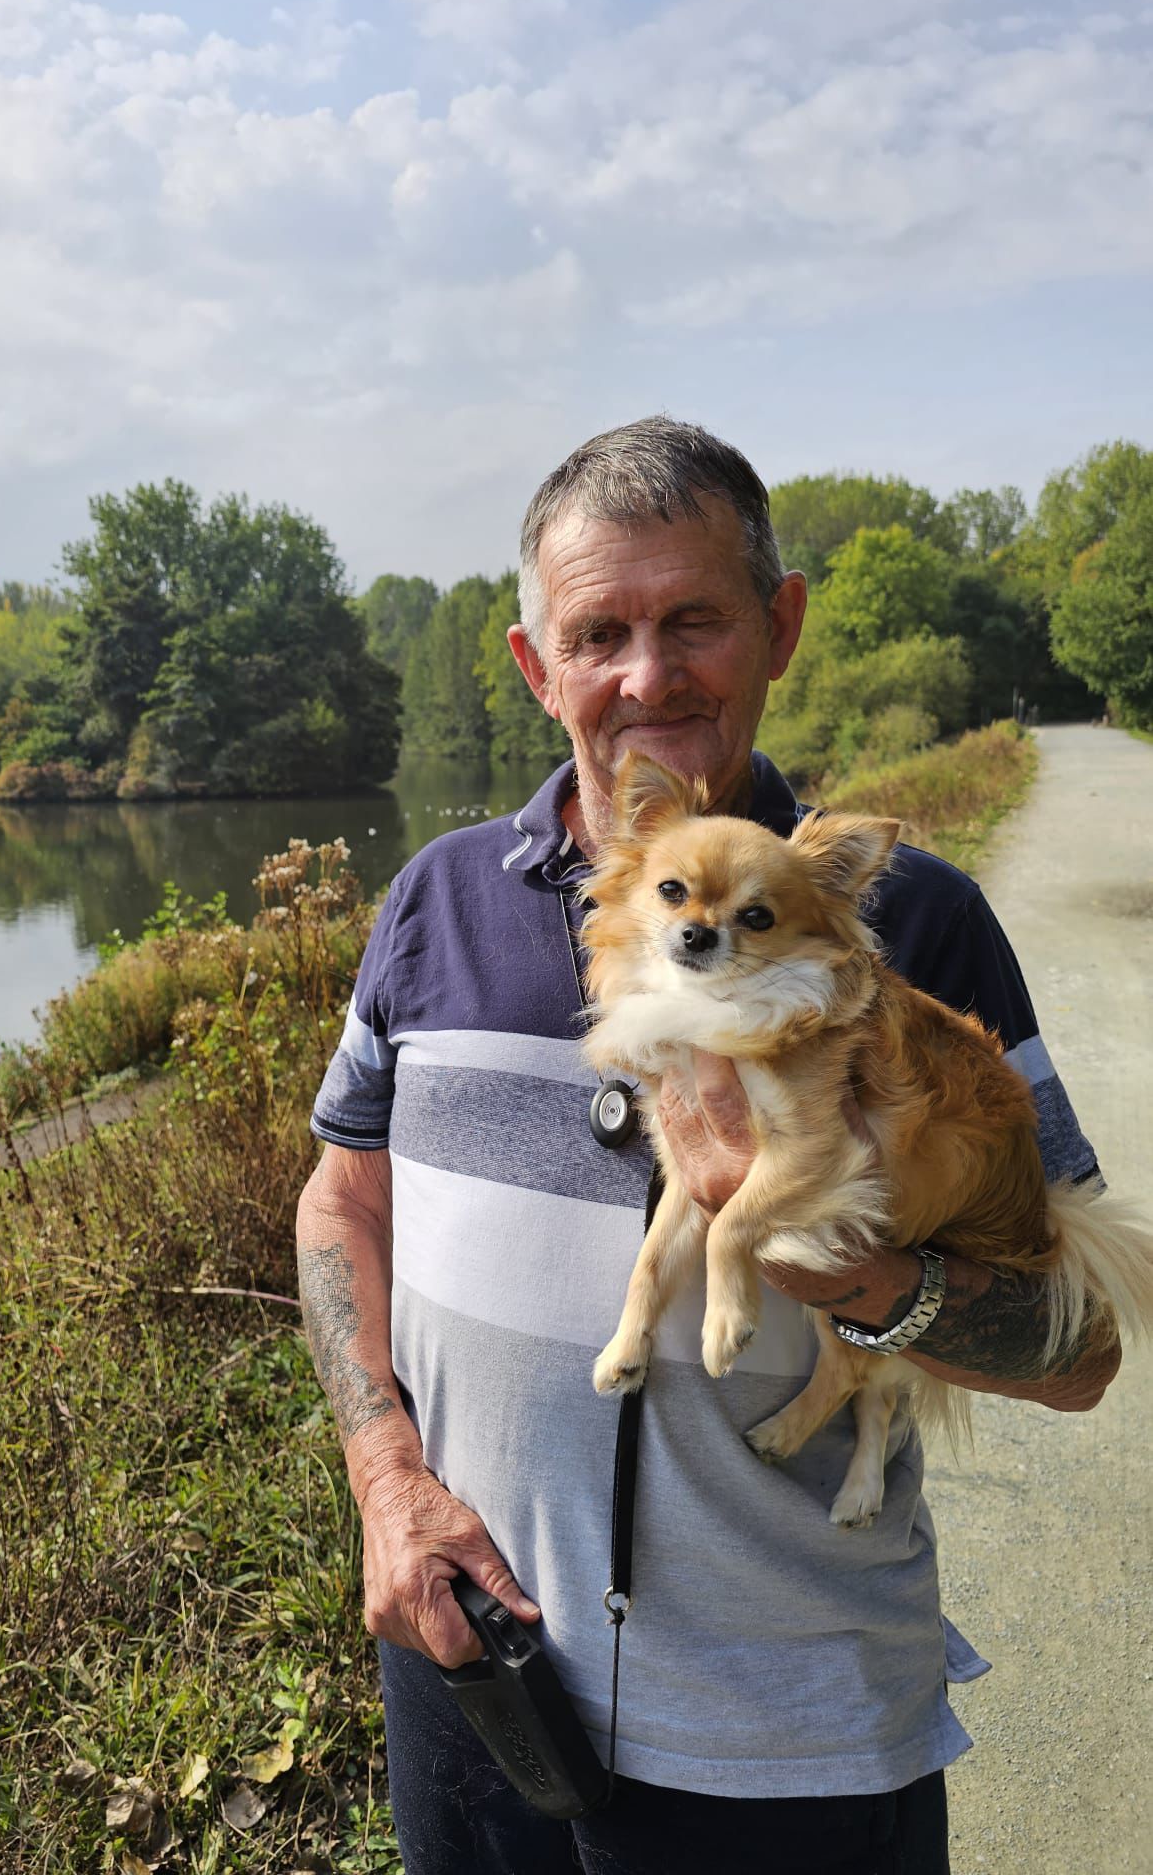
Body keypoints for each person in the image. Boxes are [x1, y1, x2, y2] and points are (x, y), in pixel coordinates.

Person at [295, 416, 1118, 1875]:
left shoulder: (909, 924)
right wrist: (384, 1481)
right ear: (533, 665)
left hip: (789, 1737)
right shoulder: (432, 904)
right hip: (476, 1687)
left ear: (782, 627)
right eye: (598, 631)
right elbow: (342, 1195)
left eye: (694, 620)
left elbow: (1077, 1351)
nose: (647, 674)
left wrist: (845, 1264)